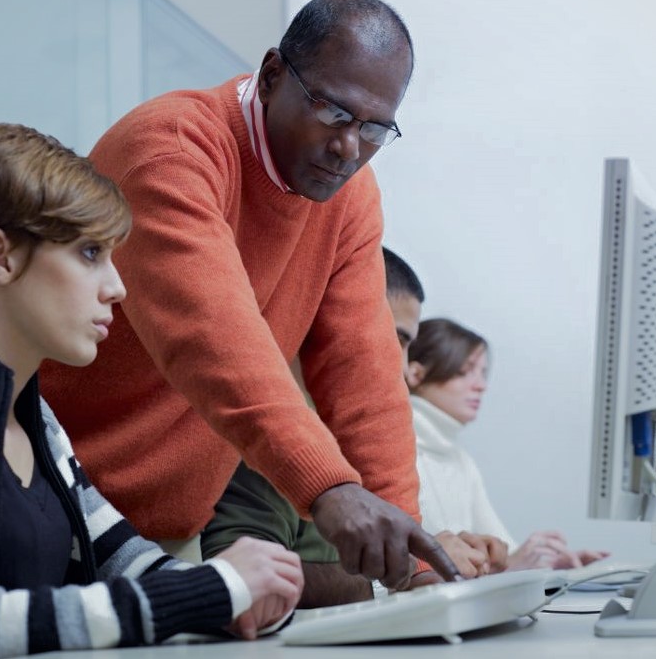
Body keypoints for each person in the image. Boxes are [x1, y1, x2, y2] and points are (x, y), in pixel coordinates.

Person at [40, 0, 457, 588]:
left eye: (374, 128)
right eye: (335, 113)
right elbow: (214, 340)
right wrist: (332, 489)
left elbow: (364, 373)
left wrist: (413, 562)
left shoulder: (349, 197)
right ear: (270, 76)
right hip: (60, 509)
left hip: (165, 536)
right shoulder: (171, 148)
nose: (348, 148)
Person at [0, 123, 304, 657]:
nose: (117, 288)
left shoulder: (37, 419)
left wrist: (232, 600)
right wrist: (212, 588)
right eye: (90, 253)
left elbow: (123, 558)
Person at [203, 248, 507, 606]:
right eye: (394, 339)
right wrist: (397, 578)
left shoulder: (379, 442)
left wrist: (443, 557)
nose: (407, 368)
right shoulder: (278, 431)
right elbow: (241, 580)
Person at [407, 317, 609, 571]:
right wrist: (512, 567)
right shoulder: (395, 452)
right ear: (415, 374)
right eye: (464, 371)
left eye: (483, 373)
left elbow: (503, 554)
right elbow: (412, 576)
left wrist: (543, 564)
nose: (481, 385)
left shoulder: (460, 460)